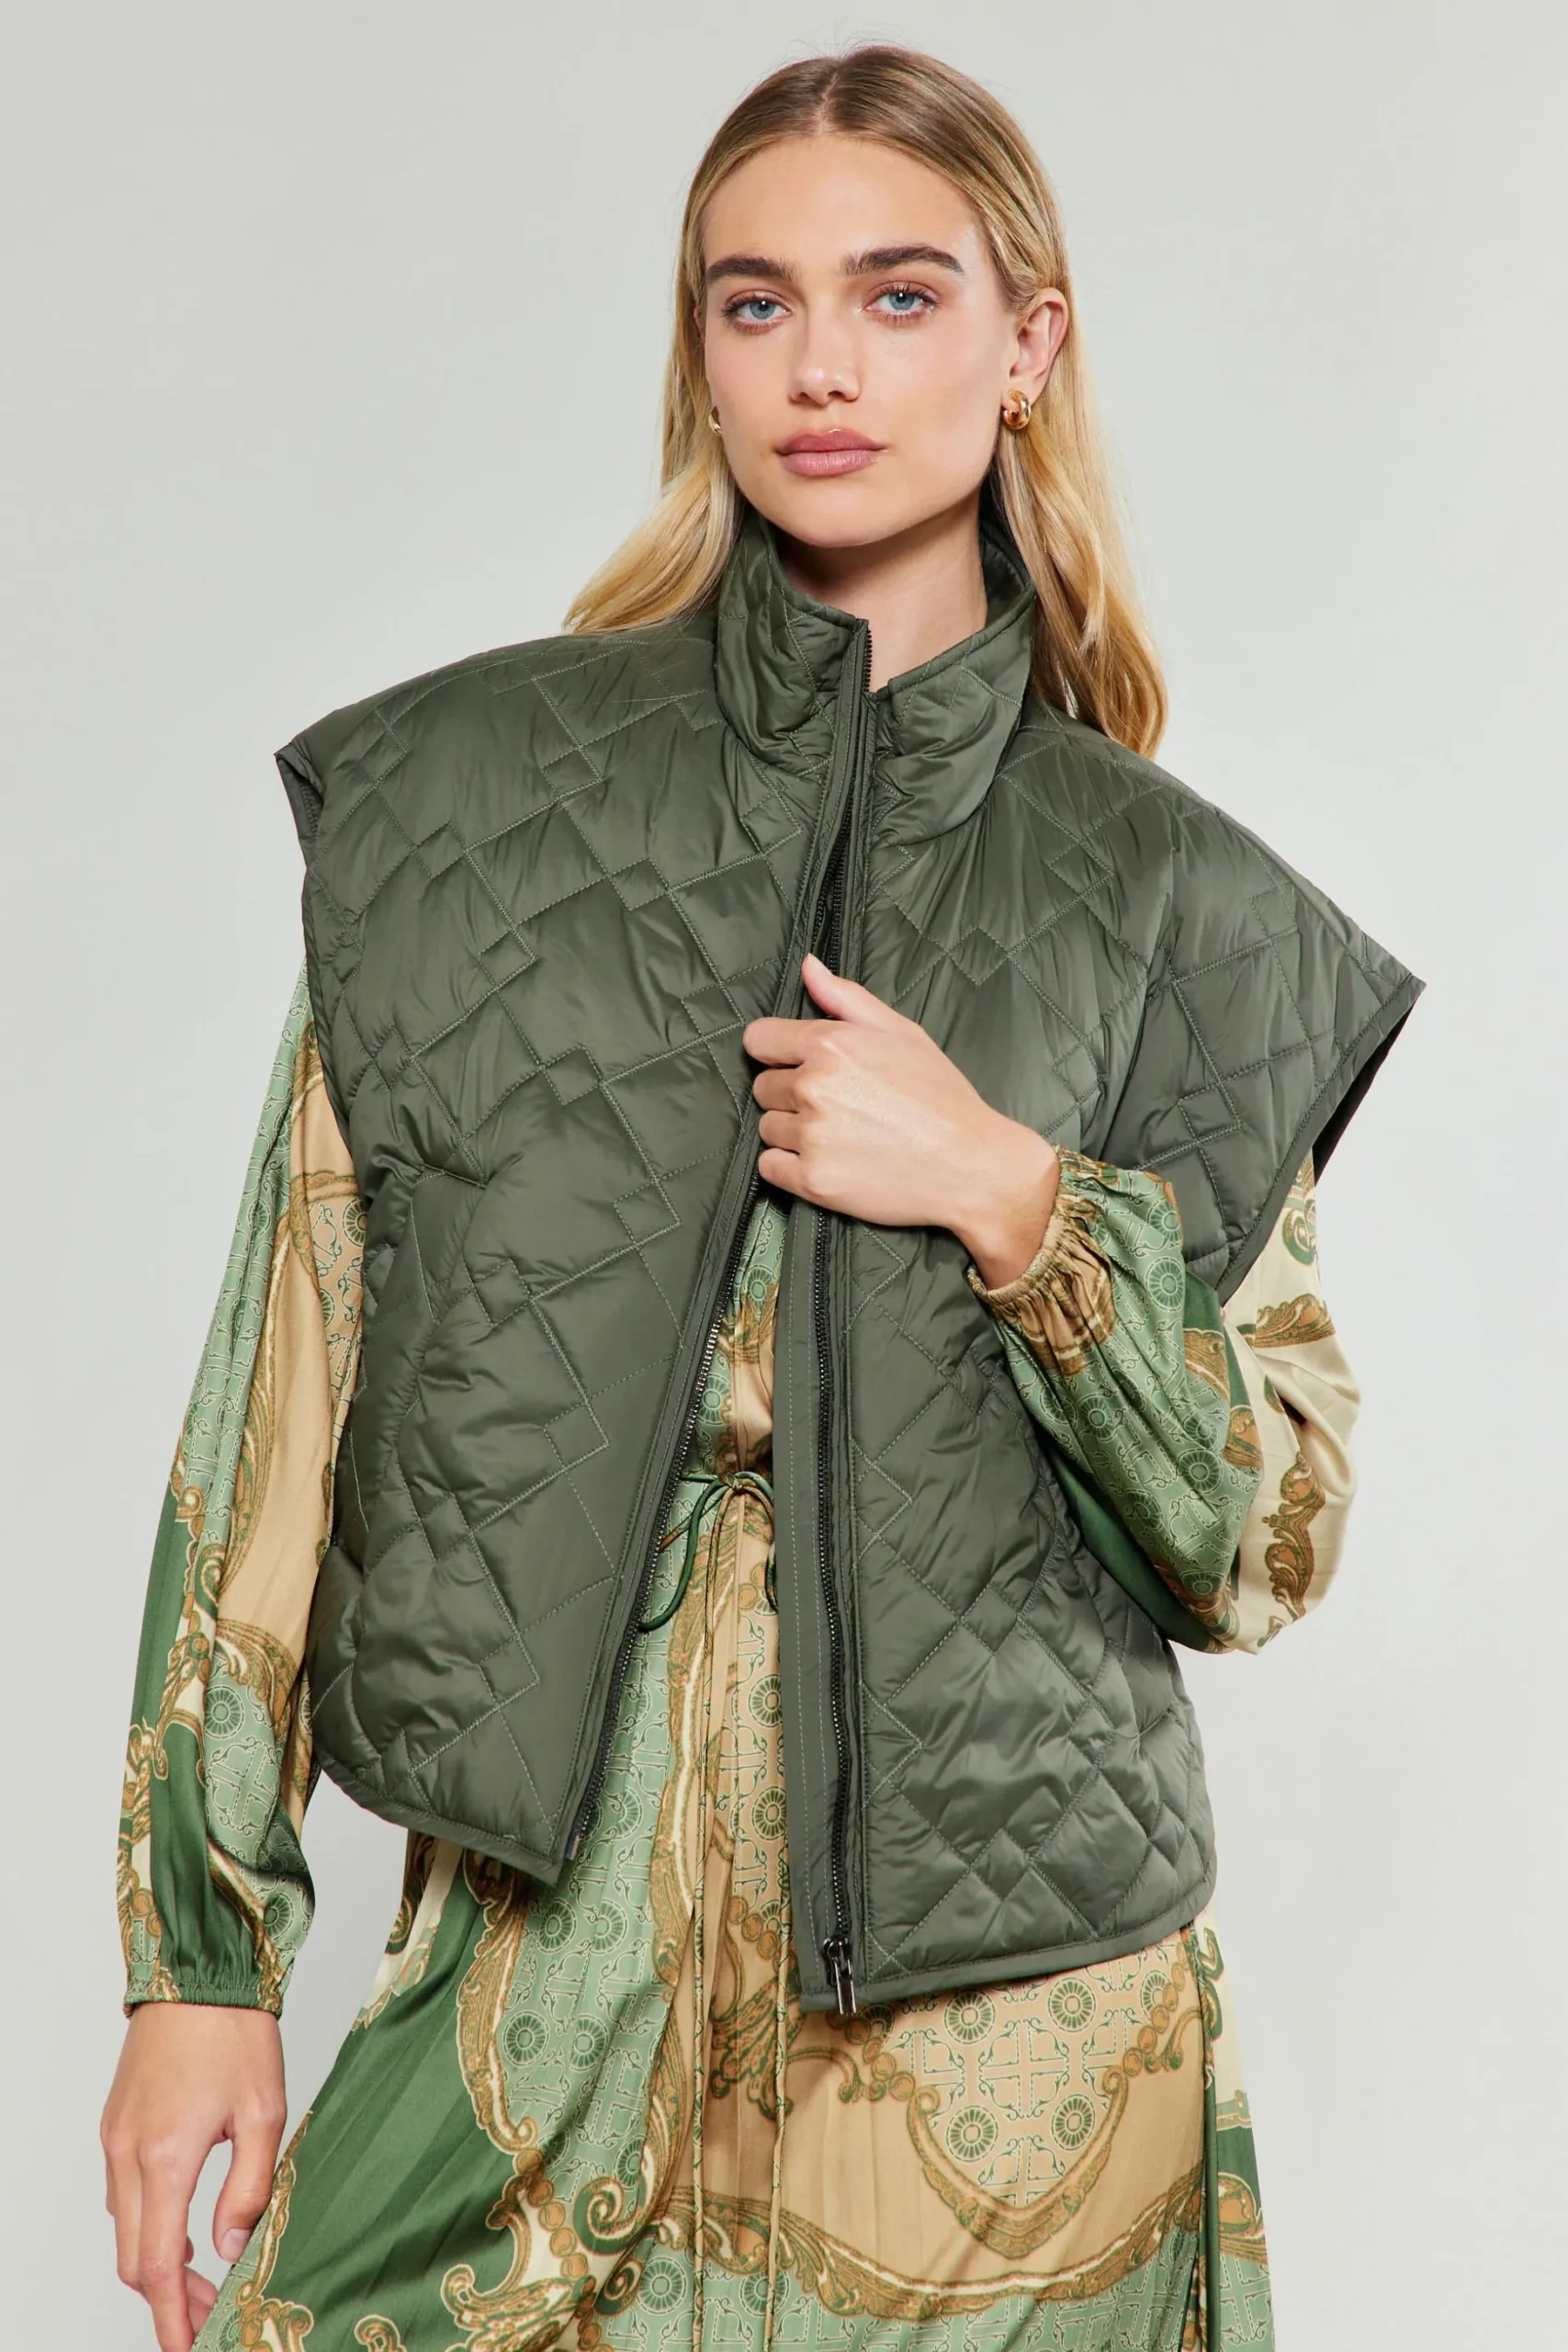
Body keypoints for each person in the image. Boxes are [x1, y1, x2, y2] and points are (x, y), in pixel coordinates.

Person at [101, 41, 1423, 2352]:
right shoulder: (472, 814)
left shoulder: (1178, 911)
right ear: (699, 351)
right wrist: (197, 1963)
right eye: (755, 301)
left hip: (1005, 2086)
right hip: (542, 1985)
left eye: (899, 297)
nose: (821, 365)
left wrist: (1013, 1197)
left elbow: (1263, 1533)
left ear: (1027, 344)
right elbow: (279, 1398)